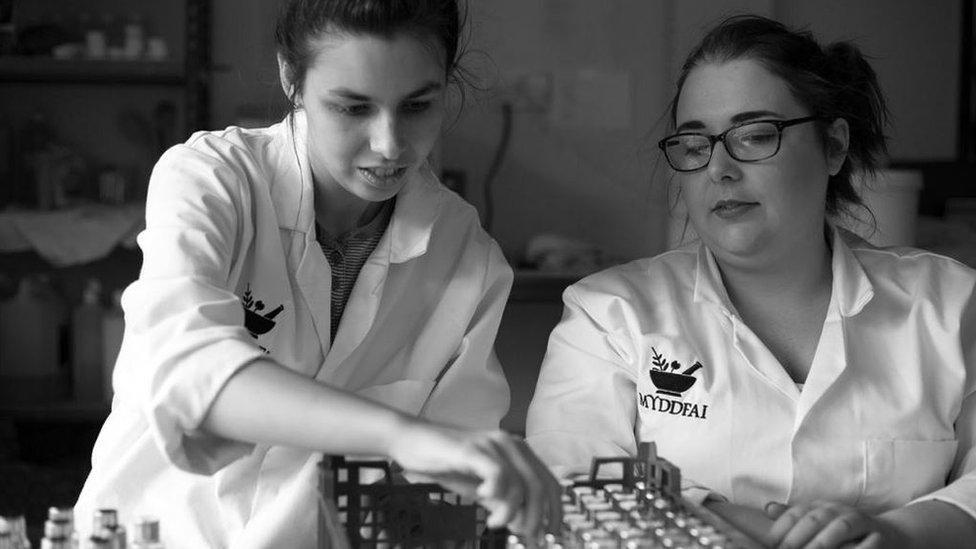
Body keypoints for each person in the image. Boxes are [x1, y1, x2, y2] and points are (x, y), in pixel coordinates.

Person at [74, 1, 560, 547]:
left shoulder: (464, 252)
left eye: (418, 106)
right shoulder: (212, 179)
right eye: (353, 108)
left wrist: (474, 481)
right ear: (291, 77)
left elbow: (449, 477)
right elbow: (192, 371)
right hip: (156, 535)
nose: (390, 145)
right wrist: (404, 435)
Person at [526, 14, 976, 549]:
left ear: (834, 147)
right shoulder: (610, 314)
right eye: (695, 146)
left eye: (755, 135)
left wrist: (894, 533)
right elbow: (569, 483)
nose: (719, 168)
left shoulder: (949, 305)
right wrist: (758, 528)